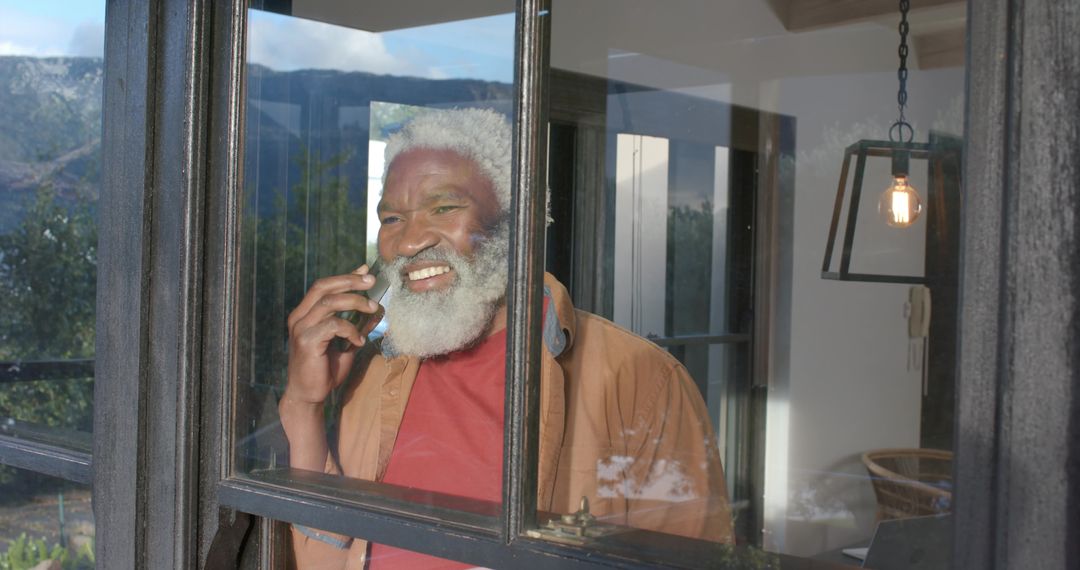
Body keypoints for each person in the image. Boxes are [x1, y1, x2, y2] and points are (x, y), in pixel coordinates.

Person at [280, 108, 733, 570]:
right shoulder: (372, 369)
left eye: (444, 207)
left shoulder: (642, 381)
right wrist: (303, 404)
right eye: (393, 218)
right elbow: (328, 550)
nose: (410, 241)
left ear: (521, 221)